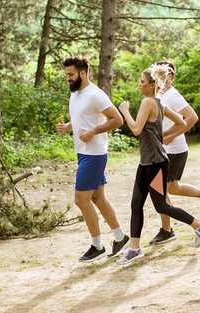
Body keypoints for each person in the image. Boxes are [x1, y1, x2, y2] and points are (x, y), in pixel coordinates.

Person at [116, 65, 200, 265]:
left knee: (161, 205)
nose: (139, 85)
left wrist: (124, 111)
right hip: (147, 162)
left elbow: (135, 129)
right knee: (136, 203)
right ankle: (134, 249)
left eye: (142, 82)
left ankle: (199, 224)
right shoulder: (160, 104)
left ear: (151, 85)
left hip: (157, 164)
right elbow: (182, 124)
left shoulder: (148, 102)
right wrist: (162, 136)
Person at [56, 55, 130, 262]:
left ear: (82, 73)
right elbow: (83, 119)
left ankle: (97, 246)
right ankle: (121, 237)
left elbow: (117, 120)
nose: (68, 78)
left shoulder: (95, 94)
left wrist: (94, 132)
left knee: (81, 200)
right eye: (66, 75)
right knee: (98, 198)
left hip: (94, 154)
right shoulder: (76, 93)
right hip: (83, 153)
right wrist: (68, 127)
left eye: (70, 75)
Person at [148, 60, 200, 245]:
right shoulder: (158, 95)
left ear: (170, 76)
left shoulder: (172, 96)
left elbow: (192, 117)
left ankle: (168, 230)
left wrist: (172, 135)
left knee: (161, 189)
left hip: (174, 150)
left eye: (160, 75)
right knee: (170, 188)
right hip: (165, 149)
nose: (155, 78)